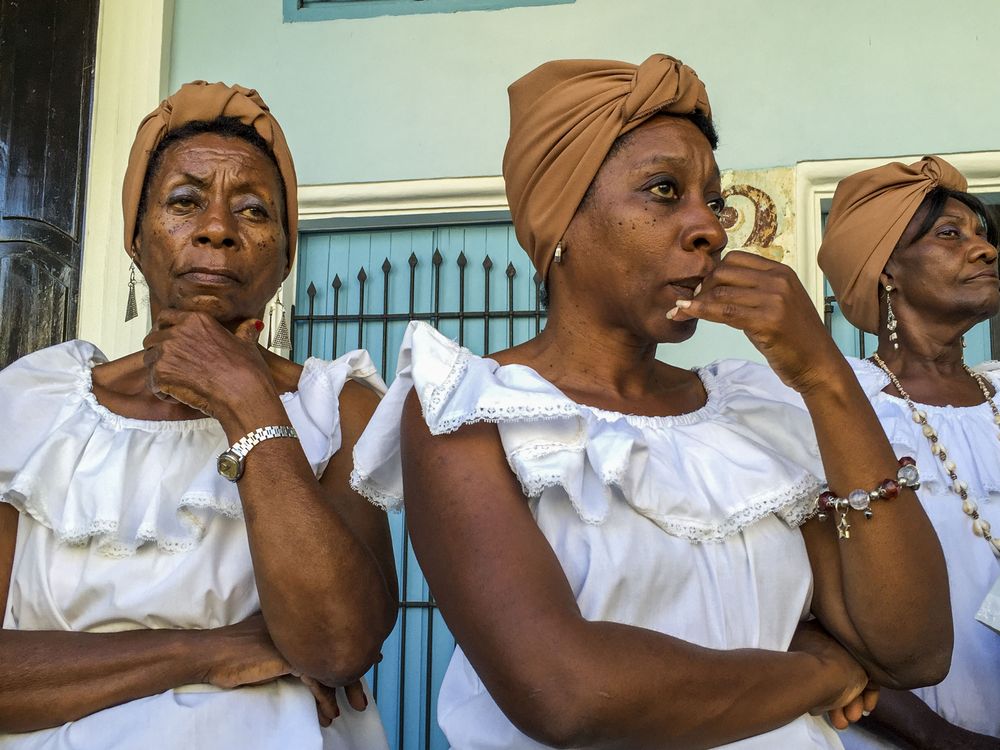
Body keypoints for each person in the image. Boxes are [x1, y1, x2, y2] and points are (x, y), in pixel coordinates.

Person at [350, 55, 953, 749]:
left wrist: (824, 378)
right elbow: (565, 691)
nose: (712, 229)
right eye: (665, 191)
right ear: (561, 224)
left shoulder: (749, 411)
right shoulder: (469, 411)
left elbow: (912, 650)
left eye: (714, 201)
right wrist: (820, 674)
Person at [0, 82, 397, 749]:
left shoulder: (338, 407)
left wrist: (245, 400)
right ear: (135, 237)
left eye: (253, 211)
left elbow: (338, 646)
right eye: (185, 202)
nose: (217, 229)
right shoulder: (36, 405)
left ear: (284, 253)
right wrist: (209, 651)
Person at [819, 156, 1000, 749]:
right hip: (898, 733)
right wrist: (938, 738)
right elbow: (809, 607)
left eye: (982, 236)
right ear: (888, 269)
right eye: (951, 235)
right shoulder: (838, 405)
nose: (984, 250)